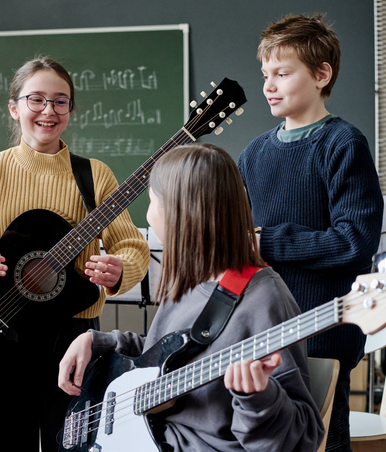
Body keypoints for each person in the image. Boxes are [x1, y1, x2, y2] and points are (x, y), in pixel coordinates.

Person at [0, 56, 149, 452]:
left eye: (61, 102)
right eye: (36, 100)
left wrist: (121, 270)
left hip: (75, 338)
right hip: (3, 336)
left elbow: (130, 245)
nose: (49, 111)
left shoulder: (94, 175)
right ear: (14, 108)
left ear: (70, 110)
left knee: (74, 444)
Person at [59, 143, 324, 451]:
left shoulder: (265, 300)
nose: (148, 214)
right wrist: (98, 341)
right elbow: (163, 358)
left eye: (152, 202)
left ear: (178, 213)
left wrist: (258, 398)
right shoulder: (189, 280)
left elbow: (302, 437)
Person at [238, 13, 383, 451]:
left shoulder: (343, 143)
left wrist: (269, 242)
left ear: (322, 75)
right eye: (265, 74)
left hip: (322, 331)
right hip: (261, 326)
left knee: (322, 441)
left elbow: (355, 242)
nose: (269, 85)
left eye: (282, 73)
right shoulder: (253, 153)